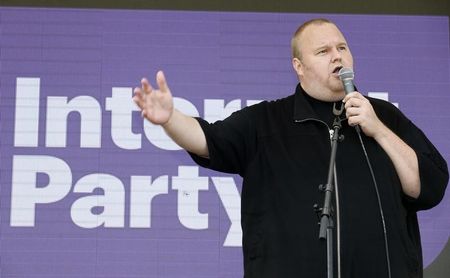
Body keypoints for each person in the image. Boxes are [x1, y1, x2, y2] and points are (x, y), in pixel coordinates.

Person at [133, 18, 448, 278]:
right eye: (323, 51)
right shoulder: (267, 121)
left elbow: (429, 186)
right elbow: (207, 140)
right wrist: (169, 118)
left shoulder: (384, 116)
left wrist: (378, 129)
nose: (337, 57)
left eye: (342, 48)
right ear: (299, 66)